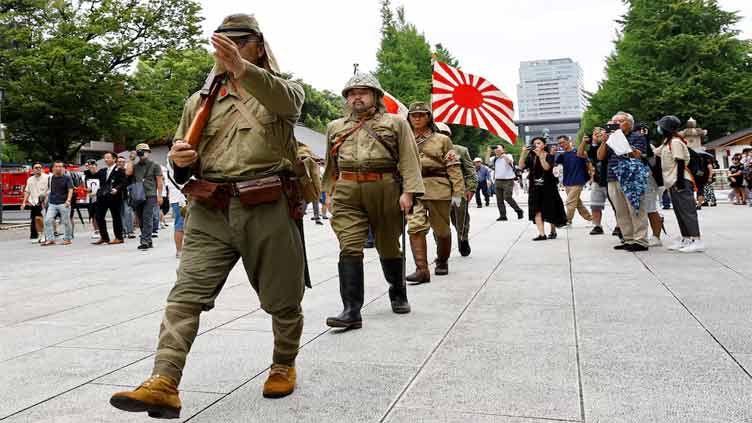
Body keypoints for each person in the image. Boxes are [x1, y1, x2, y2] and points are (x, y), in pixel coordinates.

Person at [110, 14, 307, 416]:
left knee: (282, 298)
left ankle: (284, 363)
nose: (229, 47)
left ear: (259, 46)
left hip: (266, 204)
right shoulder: (199, 102)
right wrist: (181, 164)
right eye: (223, 41)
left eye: (240, 40)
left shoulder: (281, 90)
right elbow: (183, 161)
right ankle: (164, 381)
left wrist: (241, 68)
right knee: (185, 297)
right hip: (210, 208)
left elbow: (289, 104)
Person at [322, 72, 424, 329]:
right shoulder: (335, 127)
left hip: (385, 186)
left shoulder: (396, 123)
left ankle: (398, 291)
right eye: (352, 93)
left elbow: (409, 159)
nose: (357, 97)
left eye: (363, 92)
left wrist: (409, 192)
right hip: (347, 189)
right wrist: (329, 193)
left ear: (376, 97)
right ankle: (351, 310)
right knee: (349, 245)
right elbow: (330, 164)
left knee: (388, 245)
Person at [404, 102, 464, 283]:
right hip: (414, 189)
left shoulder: (443, 140)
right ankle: (422, 270)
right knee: (414, 228)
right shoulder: (405, 139)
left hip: (438, 188)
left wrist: (458, 191)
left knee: (442, 231)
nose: (417, 118)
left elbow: (453, 167)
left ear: (429, 117)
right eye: (413, 115)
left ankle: (442, 261)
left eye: (421, 115)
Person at [597, 112, 651, 251]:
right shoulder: (610, 139)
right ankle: (628, 238)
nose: (616, 124)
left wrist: (619, 139)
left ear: (629, 123)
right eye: (614, 122)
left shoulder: (637, 136)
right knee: (620, 211)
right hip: (613, 176)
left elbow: (637, 155)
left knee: (636, 209)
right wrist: (604, 140)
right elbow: (600, 156)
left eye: (619, 121)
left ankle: (641, 240)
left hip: (631, 177)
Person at [655, 116, 704, 252]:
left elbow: (680, 161)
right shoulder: (667, 142)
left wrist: (680, 183)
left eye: (660, 126)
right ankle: (686, 238)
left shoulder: (675, 142)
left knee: (687, 211)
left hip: (680, 179)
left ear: (666, 128)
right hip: (672, 181)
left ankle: (696, 239)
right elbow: (655, 152)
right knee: (680, 211)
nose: (658, 129)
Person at [436, 122, 477, 257]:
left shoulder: (460, 150)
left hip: (458, 190)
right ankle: (441, 247)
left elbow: (470, 171)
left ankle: (463, 239)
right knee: (439, 222)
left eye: (444, 133)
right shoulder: (428, 150)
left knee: (461, 220)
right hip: (438, 191)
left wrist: (471, 188)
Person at [519, 137, 567, 240]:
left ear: (544, 145)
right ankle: (542, 234)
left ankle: (552, 230)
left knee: (550, 209)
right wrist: (523, 153)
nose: (536, 145)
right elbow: (521, 166)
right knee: (536, 210)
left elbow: (546, 167)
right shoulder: (531, 156)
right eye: (534, 143)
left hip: (548, 187)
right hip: (534, 187)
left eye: (539, 143)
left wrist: (540, 155)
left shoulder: (549, 156)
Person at [125, 143, 163, 250]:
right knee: (140, 219)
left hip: (150, 195)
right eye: (140, 151)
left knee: (147, 218)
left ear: (149, 152)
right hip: (138, 195)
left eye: (145, 151)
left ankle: (145, 240)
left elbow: (159, 182)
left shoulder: (155, 165)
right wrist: (131, 159)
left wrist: (160, 196)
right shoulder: (135, 166)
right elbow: (128, 173)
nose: (143, 153)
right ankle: (148, 240)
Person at [92, 152, 127, 245]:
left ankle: (119, 237)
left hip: (114, 197)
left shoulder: (120, 170)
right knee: (99, 216)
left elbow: (124, 182)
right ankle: (104, 237)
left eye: (108, 157)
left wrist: (117, 189)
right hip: (102, 197)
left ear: (114, 159)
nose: (106, 159)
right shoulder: (103, 170)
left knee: (116, 217)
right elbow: (94, 177)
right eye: (105, 158)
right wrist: (91, 169)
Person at [557, 135, 593, 225]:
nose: (561, 144)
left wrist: (592, 176)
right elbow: (553, 164)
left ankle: (567, 221)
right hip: (567, 182)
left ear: (569, 141)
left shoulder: (579, 152)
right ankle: (591, 218)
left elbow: (589, 164)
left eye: (563, 142)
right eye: (559, 143)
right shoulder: (562, 155)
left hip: (578, 181)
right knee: (577, 203)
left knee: (570, 202)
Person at [41, 161, 74, 246]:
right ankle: (50, 239)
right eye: (56, 166)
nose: (58, 168)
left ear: (63, 168)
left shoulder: (67, 178)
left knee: (66, 221)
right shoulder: (50, 178)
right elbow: (49, 190)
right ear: (53, 168)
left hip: (64, 203)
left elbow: (70, 189)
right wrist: (45, 200)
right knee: (47, 220)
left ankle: (67, 239)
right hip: (52, 203)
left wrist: (68, 200)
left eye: (60, 166)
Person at [491, 144, 524, 221]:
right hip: (498, 180)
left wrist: (503, 155)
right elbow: (486, 161)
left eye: (498, 149)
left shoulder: (508, 155)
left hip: (508, 180)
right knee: (499, 200)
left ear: (503, 150)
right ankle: (503, 215)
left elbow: (509, 161)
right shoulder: (494, 158)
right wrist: (489, 151)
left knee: (507, 197)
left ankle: (518, 210)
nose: (496, 150)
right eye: (495, 149)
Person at [586, 129, 608, 235]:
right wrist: (594, 142)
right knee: (595, 205)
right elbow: (591, 156)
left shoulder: (611, 143)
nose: (598, 135)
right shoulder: (593, 147)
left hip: (611, 179)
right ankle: (597, 225)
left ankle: (619, 226)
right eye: (595, 134)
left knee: (617, 206)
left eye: (600, 133)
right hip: (598, 180)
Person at [20, 163, 49, 242]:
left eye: (40, 167)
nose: (38, 169)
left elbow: (50, 189)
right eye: (36, 167)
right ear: (32, 169)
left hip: (44, 202)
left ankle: (44, 234)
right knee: (35, 219)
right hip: (34, 202)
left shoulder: (47, 177)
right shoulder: (30, 179)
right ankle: (37, 235)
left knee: (42, 219)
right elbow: (27, 191)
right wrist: (23, 203)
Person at [164, 166, 186, 258]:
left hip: (179, 197)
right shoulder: (175, 165)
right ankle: (179, 250)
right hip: (180, 198)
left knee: (183, 224)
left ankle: (182, 250)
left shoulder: (170, 165)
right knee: (180, 225)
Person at [117, 156, 136, 238]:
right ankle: (123, 231)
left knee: (128, 212)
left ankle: (130, 231)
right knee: (119, 214)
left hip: (127, 195)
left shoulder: (127, 171)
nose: (121, 163)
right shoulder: (114, 172)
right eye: (119, 161)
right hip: (116, 196)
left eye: (123, 162)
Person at [84, 159, 101, 239]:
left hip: (99, 197)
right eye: (89, 167)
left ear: (96, 166)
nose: (91, 168)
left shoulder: (101, 174)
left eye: (93, 166)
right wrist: (86, 189)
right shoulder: (86, 175)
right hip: (90, 197)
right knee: (92, 214)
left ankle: (101, 230)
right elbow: (84, 186)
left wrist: (96, 192)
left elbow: (103, 186)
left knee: (99, 214)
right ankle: (96, 230)